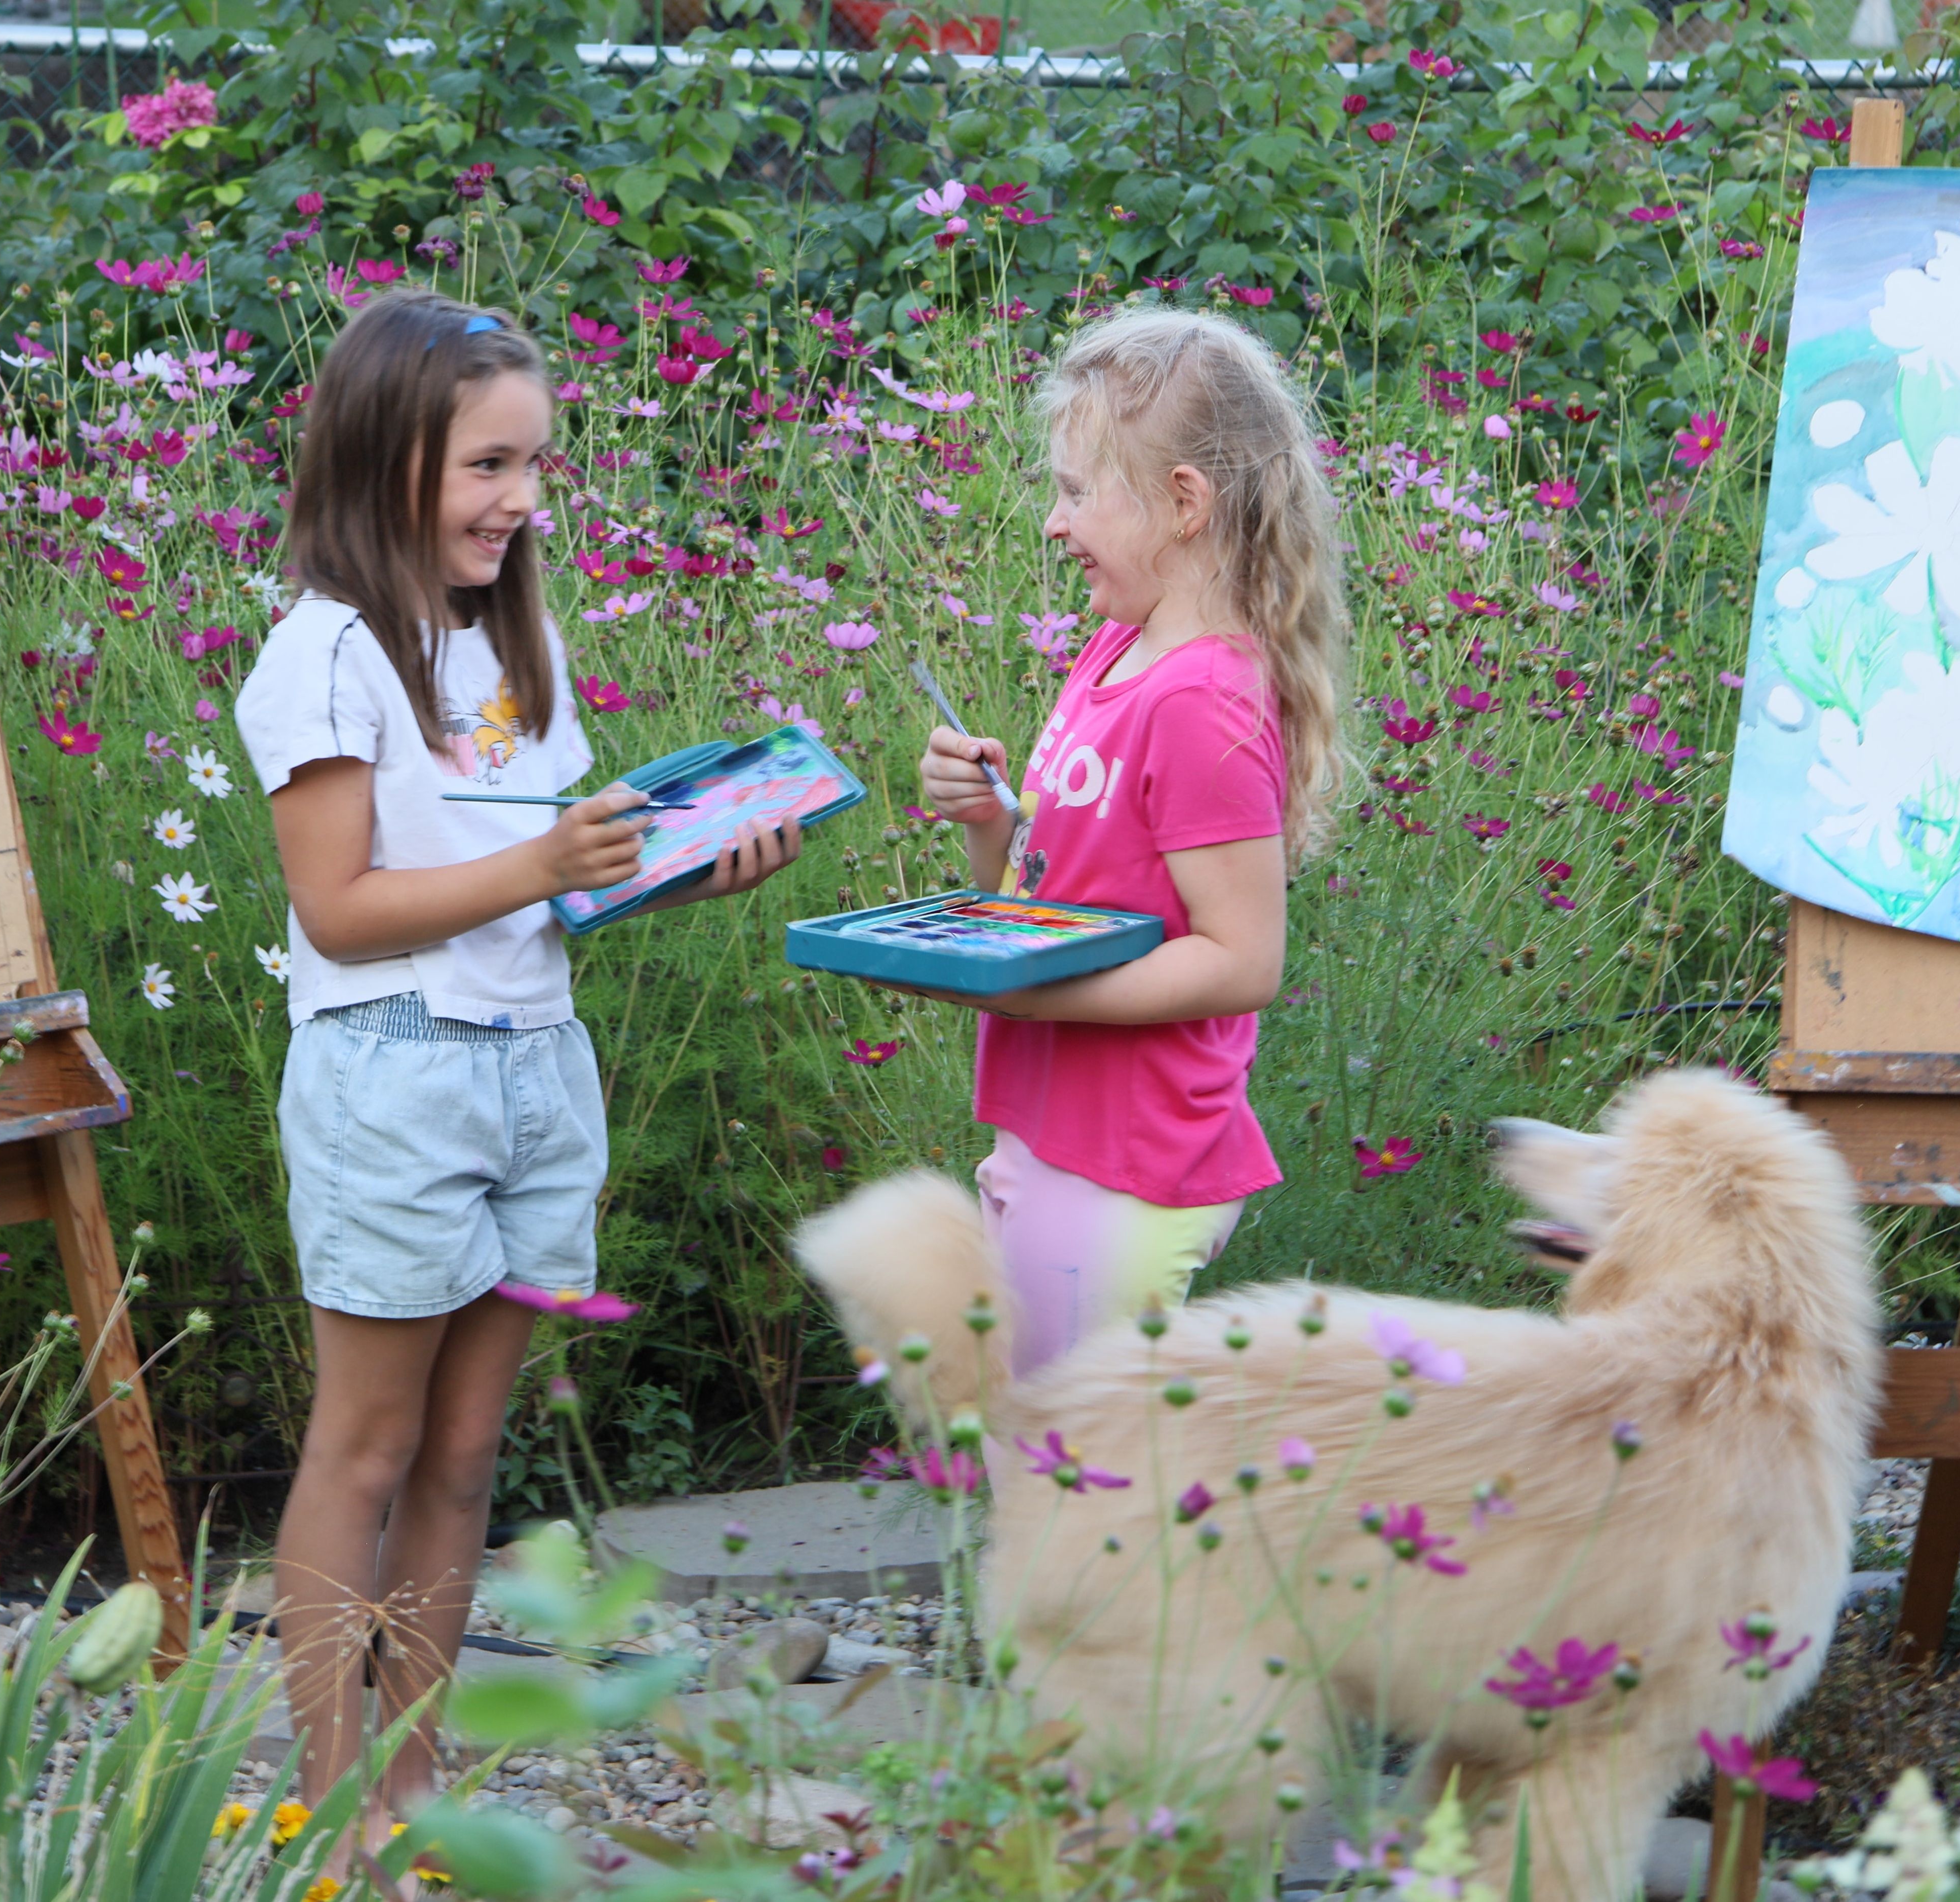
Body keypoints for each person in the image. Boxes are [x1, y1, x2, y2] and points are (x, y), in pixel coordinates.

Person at [235, 289, 802, 1831]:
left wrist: (684, 866)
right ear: (386, 455)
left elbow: (558, 884)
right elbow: (341, 913)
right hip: (394, 1071)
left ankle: (418, 1780)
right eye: (489, 465)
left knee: (470, 1450)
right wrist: (548, 861)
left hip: (537, 1067)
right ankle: (335, 1792)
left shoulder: (512, 633)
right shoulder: (324, 655)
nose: (523, 500)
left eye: (534, 464)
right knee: (366, 1442)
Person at [914, 306, 1351, 1375]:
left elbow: (1241, 958)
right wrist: (989, 827)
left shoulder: (1203, 699)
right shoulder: (1115, 652)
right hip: (1053, 1131)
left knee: (1075, 1487)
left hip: (1128, 1162)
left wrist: (1031, 993)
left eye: (1074, 492)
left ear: (1182, 503)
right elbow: (1047, 888)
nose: (1053, 526)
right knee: (1045, 1466)